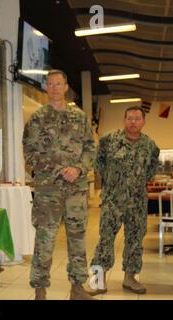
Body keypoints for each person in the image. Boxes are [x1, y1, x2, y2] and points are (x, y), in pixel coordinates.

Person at [23, 69, 96, 300]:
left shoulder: (80, 117)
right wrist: (58, 170)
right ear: (46, 87)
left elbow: (90, 148)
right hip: (48, 190)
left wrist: (79, 169)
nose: (54, 88)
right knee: (45, 238)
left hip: (76, 188)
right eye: (50, 84)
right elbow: (30, 154)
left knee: (77, 236)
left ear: (66, 87)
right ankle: (40, 289)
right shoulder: (37, 118)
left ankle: (77, 287)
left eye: (59, 84)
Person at [90, 106, 159, 295]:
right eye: (130, 118)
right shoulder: (108, 140)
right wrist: (113, 182)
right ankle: (98, 279)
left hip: (137, 203)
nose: (133, 121)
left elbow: (153, 168)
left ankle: (130, 278)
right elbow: (98, 163)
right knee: (105, 239)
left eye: (137, 118)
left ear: (143, 122)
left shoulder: (150, 145)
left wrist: (137, 182)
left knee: (135, 240)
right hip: (112, 201)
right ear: (124, 120)